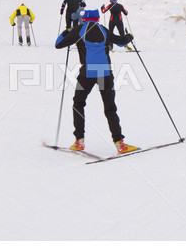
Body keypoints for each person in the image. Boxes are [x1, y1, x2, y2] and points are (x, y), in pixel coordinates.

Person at [55, 9, 138, 154]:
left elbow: (58, 44)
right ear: (98, 18)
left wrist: (66, 32)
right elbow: (120, 42)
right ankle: (120, 144)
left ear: (85, 19)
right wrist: (129, 36)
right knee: (110, 108)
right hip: (105, 73)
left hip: (86, 74)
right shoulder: (103, 29)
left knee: (78, 103)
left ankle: (79, 141)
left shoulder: (79, 29)